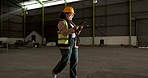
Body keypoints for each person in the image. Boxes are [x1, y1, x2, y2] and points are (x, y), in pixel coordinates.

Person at [52, 6, 83, 78]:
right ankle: (55, 71)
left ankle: (73, 76)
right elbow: (63, 32)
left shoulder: (72, 23)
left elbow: (75, 34)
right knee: (66, 60)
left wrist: (79, 30)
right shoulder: (62, 22)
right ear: (66, 14)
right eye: (71, 14)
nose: (72, 16)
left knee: (75, 60)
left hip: (74, 43)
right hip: (66, 44)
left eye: (73, 15)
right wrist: (73, 29)